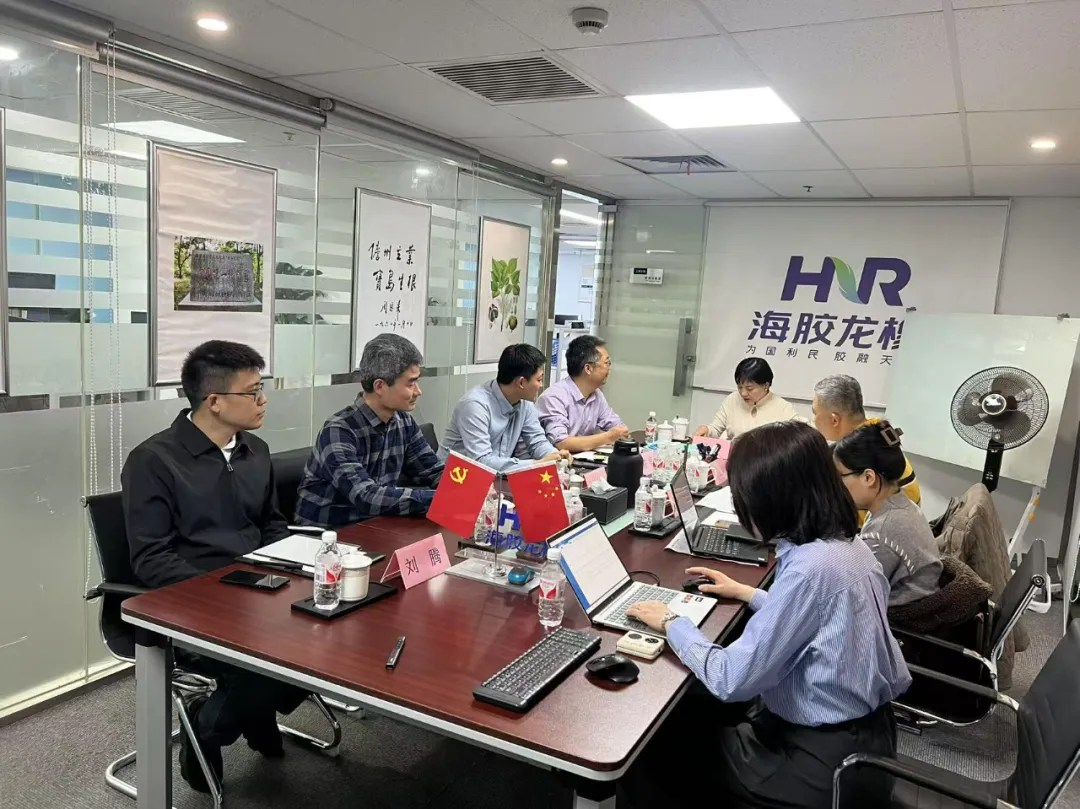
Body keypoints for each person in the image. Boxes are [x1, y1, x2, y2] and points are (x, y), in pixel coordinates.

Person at [625, 421, 910, 809]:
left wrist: (672, 623)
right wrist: (748, 593)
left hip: (818, 763)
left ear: (771, 500)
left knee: (648, 744)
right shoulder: (844, 545)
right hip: (868, 739)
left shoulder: (810, 569)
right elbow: (816, 616)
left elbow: (730, 678)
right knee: (692, 707)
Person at [122, 340, 306, 793]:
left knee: (331, 637)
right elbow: (151, 559)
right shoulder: (154, 461)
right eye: (253, 391)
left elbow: (271, 524)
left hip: (259, 588)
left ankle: (249, 713)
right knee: (266, 661)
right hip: (194, 600)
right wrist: (223, 593)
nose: (263, 400)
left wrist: (289, 569)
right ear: (215, 401)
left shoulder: (255, 450)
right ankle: (208, 728)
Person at [295, 333, 443, 527]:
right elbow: (365, 495)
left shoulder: (404, 422)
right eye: (410, 383)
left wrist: (466, 490)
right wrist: (440, 499)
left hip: (376, 526)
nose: (418, 391)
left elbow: (433, 471)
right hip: (328, 535)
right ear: (380, 386)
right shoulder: (338, 431)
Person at [834, 420, 942, 607]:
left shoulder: (882, 532)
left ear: (868, 477)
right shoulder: (901, 504)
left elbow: (855, 598)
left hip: (899, 618)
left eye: (841, 476)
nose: (837, 485)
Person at [441, 344, 570, 472]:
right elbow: (482, 461)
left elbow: (537, 442)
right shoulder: (475, 405)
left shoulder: (524, 404)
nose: (541, 385)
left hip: (496, 477)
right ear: (521, 382)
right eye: (539, 380)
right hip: (453, 477)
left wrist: (555, 455)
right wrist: (536, 464)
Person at [813, 374, 921, 510]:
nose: (813, 420)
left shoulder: (856, 461)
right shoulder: (877, 436)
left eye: (814, 412)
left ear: (834, 420)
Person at [536, 335, 630, 452]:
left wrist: (620, 433)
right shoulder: (554, 397)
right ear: (588, 368)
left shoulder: (596, 395)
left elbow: (618, 428)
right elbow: (562, 443)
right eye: (607, 363)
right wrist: (608, 437)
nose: (609, 368)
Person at [694, 357, 799, 439]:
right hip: (734, 457)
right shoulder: (732, 399)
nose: (743, 393)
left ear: (766, 385)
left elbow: (798, 437)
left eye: (750, 388)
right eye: (740, 387)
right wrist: (707, 430)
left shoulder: (783, 408)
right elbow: (715, 428)